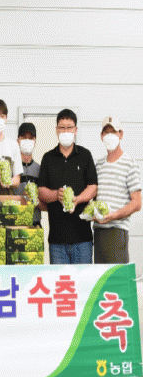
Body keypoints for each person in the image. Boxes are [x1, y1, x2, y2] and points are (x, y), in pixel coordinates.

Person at [38, 109, 97, 264]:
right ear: (56, 130)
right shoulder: (48, 158)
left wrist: (78, 199)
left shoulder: (85, 155)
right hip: (57, 241)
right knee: (60, 280)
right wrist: (55, 195)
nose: (65, 131)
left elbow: (93, 187)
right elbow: (41, 191)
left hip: (83, 239)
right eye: (62, 128)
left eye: (69, 127)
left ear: (75, 130)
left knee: (83, 280)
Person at [93, 116, 141, 264]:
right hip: (98, 231)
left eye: (113, 132)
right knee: (101, 276)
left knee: (117, 276)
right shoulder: (98, 165)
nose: (110, 136)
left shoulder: (130, 164)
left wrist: (114, 215)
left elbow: (137, 203)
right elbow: (94, 197)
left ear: (121, 134)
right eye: (106, 132)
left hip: (116, 232)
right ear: (101, 136)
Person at [15, 122, 42, 227]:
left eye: (30, 138)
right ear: (18, 141)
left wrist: (36, 201)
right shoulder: (11, 168)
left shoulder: (39, 169)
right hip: (14, 224)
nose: (27, 141)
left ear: (35, 142)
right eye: (24, 137)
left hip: (35, 224)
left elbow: (46, 205)